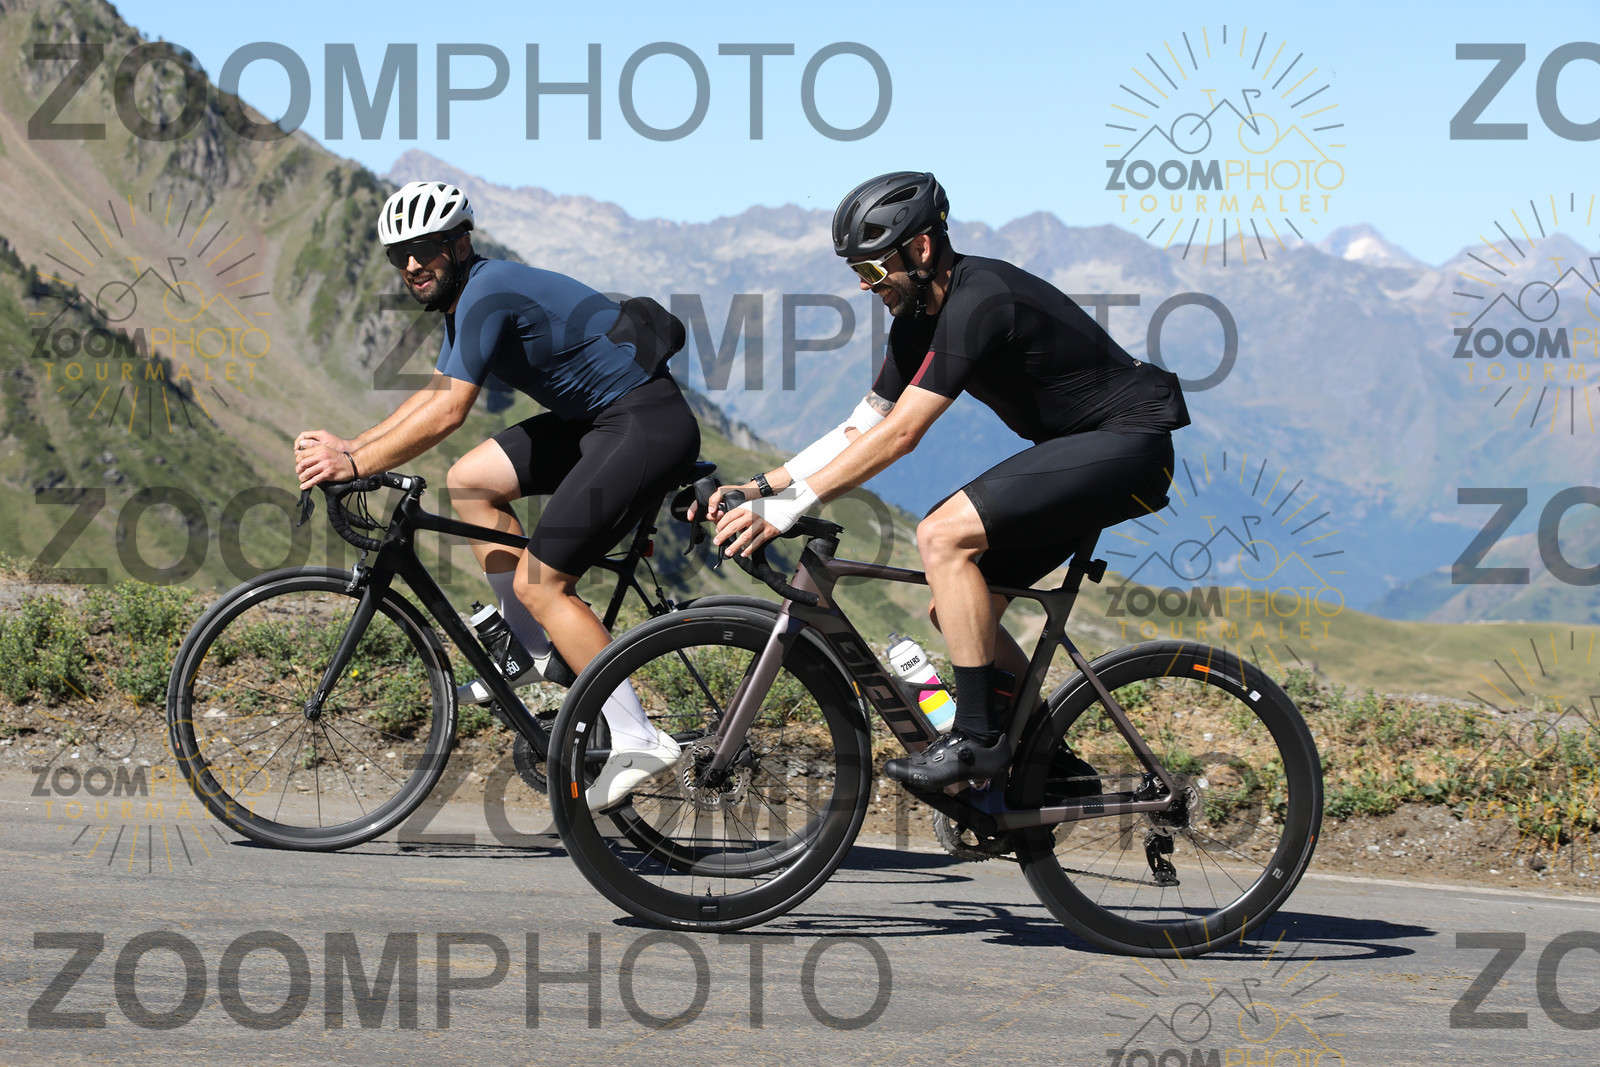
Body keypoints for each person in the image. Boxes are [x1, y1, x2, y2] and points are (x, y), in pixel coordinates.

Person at [708, 171, 1189, 789]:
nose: (863, 285)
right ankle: (1047, 762)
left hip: (1129, 445)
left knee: (941, 535)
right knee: (958, 610)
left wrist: (791, 508)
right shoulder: (916, 319)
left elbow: (903, 435)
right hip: (1082, 452)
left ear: (921, 247)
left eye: (872, 269)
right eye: (855, 271)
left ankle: (976, 740)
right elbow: (865, 426)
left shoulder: (980, 299)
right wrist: (763, 488)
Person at [294, 180, 698, 810]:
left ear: (460, 244)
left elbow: (449, 412)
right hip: (597, 422)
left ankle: (637, 736)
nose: (410, 264)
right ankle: (532, 647)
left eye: (425, 248)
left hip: (643, 423)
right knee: (471, 480)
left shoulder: (487, 292)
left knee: (544, 583)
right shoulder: (466, 299)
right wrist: (352, 447)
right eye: (398, 254)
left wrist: (354, 463)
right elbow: (434, 391)